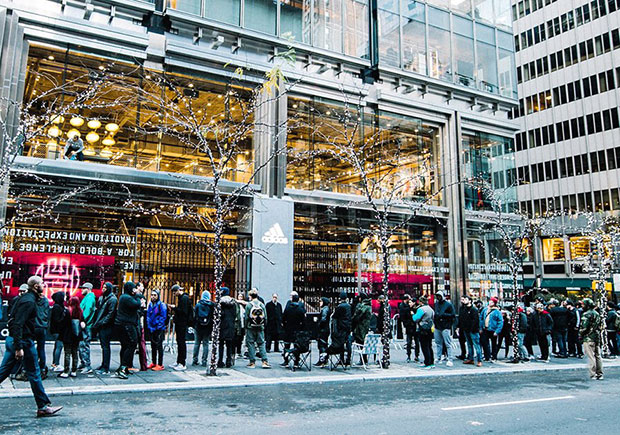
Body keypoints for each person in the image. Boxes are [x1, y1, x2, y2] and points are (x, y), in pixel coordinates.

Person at [0, 276, 62, 417]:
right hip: (24, 342)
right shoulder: (29, 302)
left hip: (15, 340)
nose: (44, 285)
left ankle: (43, 405)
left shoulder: (24, 299)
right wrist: (19, 346)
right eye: (41, 283)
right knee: (34, 373)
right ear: (35, 286)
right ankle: (43, 406)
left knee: (4, 371)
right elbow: (18, 324)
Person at [114, 282, 142, 379]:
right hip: (127, 325)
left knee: (125, 345)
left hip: (122, 324)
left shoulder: (124, 297)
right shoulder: (127, 298)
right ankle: (123, 367)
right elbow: (137, 304)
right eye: (133, 288)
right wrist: (138, 296)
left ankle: (124, 367)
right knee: (132, 343)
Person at [317, 292, 352, 367]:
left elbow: (335, 317)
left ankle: (340, 359)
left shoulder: (340, 307)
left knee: (339, 343)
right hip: (347, 328)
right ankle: (346, 359)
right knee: (346, 343)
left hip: (340, 328)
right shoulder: (349, 306)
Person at [92, 282, 117, 375]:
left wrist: (102, 323)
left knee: (106, 347)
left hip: (107, 326)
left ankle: (106, 366)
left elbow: (110, 314)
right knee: (103, 346)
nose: (103, 289)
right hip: (101, 324)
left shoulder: (112, 299)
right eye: (103, 287)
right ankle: (103, 364)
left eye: (105, 287)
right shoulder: (102, 298)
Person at [244, 288, 270, 368]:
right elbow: (265, 317)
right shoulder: (261, 304)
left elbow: (246, 317)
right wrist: (264, 326)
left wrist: (246, 326)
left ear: (250, 296)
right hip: (260, 327)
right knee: (261, 343)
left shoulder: (249, 305)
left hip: (250, 327)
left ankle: (252, 362)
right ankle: (264, 361)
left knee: (251, 343)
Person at [59, 296, 84, 378]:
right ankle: (74, 370)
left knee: (67, 353)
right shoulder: (80, 311)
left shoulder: (67, 311)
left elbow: (63, 323)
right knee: (75, 353)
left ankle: (66, 371)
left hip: (68, 335)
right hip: (76, 335)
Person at [580, 298, 604, 380]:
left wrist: (580, 335)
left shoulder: (586, 314)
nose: (582, 306)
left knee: (591, 356)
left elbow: (584, 327)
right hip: (596, 337)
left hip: (588, 338)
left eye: (583, 304)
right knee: (597, 356)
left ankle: (593, 374)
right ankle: (599, 373)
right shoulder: (596, 313)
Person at [281, 293, 306, 367]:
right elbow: (304, 321)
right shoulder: (300, 309)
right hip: (297, 330)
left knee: (287, 345)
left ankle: (286, 361)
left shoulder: (288, 308)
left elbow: (283, 318)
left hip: (288, 329)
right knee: (296, 346)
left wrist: (285, 325)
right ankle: (296, 362)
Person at [171, 284, 191, 371]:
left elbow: (183, 312)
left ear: (178, 290)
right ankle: (179, 361)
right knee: (180, 342)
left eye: (175, 292)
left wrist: (174, 308)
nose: (174, 294)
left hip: (182, 323)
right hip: (181, 323)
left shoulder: (184, 299)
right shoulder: (183, 298)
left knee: (181, 342)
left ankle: (182, 362)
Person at [146, 289, 167, 370]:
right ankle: (154, 362)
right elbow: (148, 316)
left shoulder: (161, 305)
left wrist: (158, 326)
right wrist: (150, 326)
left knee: (159, 346)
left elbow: (163, 317)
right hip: (152, 328)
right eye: (152, 295)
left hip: (158, 329)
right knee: (153, 346)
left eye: (155, 295)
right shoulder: (150, 305)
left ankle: (160, 364)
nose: (153, 297)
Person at [433, 291, 455, 367]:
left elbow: (452, 315)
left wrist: (443, 315)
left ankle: (450, 358)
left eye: (439, 296)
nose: (438, 298)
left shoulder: (448, 304)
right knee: (438, 343)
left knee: (447, 343)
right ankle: (439, 357)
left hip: (445, 326)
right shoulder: (436, 304)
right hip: (438, 326)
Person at [78, 282, 96, 374]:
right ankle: (83, 363)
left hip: (86, 325)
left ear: (88, 289)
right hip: (86, 324)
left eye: (83, 288)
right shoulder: (89, 297)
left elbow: (87, 311)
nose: (81, 290)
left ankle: (87, 365)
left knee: (84, 345)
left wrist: (82, 320)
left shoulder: (89, 298)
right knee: (82, 345)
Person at [412, 296, 435, 369]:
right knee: (429, 346)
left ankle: (427, 362)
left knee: (424, 346)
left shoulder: (421, 309)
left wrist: (412, 314)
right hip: (430, 328)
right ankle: (431, 362)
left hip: (423, 328)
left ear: (421, 302)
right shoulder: (431, 309)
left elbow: (416, 319)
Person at [459, 295, 482, 367]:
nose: (464, 300)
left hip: (473, 330)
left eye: (466, 299)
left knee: (476, 345)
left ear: (470, 301)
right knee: (469, 345)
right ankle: (470, 358)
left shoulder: (474, 310)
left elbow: (475, 321)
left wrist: (472, 329)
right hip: (466, 329)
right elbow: (462, 318)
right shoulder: (464, 309)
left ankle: (479, 360)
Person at [193, 291, 214, 367]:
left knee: (197, 343)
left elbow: (195, 316)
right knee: (206, 344)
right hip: (207, 327)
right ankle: (204, 360)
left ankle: (195, 360)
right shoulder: (211, 305)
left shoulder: (198, 305)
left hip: (198, 326)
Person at [479, 297, 503, 362]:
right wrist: (480, 328)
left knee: (494, 344)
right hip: (485, 328)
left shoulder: (497, 311)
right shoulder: (485, 309)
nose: (490, 303)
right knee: (484, 343)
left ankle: (494, 356)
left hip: (493, 329)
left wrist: (497, 331)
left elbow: (500, 321)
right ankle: (487, 356)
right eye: (490, 301)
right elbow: (481, 318)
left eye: (492, 302)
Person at [218, 288, 237, 368]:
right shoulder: (233, 303)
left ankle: (220, 361)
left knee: (221, 345)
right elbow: (235, 314)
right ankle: (228, 361)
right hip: (230, 326)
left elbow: (219, 315)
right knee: (229, 345)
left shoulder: (220, 303)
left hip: (222, 325)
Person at [34, 287, 50, 379]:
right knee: (41, 348)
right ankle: (42, 368)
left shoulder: (33, 301)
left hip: (34, 326)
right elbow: (47, 313)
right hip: (42, 326)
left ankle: (28, 368)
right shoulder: (46, 301)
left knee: (29, 346)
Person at [351, 293, 372, 365]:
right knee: (362, 343)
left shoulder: (363, 306)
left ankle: (363, 359)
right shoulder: (368, 306)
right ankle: (363, 359)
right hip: (364, 327)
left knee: (360, 343)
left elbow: (357, 316)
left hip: (361, 328)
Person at [49, 291, 66, 373]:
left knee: (57, 346)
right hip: (58, 330)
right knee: (59, 346)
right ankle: (56, 364)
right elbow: (57, 319)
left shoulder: (56, 306)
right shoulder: (57, 307)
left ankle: (54, 363)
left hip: (56, 330)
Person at [399, 294, 417, 362]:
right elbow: (403, 314)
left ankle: (416, 355)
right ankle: (409, 355)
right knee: (409, 341)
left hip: (413, 325)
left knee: (416, 341)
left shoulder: (412, 306)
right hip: (408, 325)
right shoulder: (403, 306)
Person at [315, 297, 331, 365]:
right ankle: (324, 359)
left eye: (321, 301)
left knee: (321, 345)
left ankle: (322, 360)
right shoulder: (326, 309)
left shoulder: (324, 309)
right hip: (326, 329)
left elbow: (323, 320)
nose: (320, 303)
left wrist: (319, 323)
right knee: (324, 344)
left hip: (323, 330)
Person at [233, 292, 247, 359]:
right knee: (236, 339)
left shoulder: (245, 305)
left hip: (242, 325)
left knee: (240, 339)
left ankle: (239, 351)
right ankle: (235, 352)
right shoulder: (236, 305)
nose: (240, 298)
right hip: (237, 324)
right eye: (239, 296)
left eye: (241, 296)